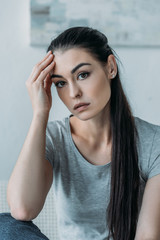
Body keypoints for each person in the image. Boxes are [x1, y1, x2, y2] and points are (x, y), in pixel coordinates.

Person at [0, 26, 160, 240]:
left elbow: (148, 236)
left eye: (83, 75)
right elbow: (22, 209)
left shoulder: (153, 142)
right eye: (61, 83)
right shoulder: (54, 138)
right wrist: (40, 113)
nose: (74, 93)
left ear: (110, 67)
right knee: (6, 225)